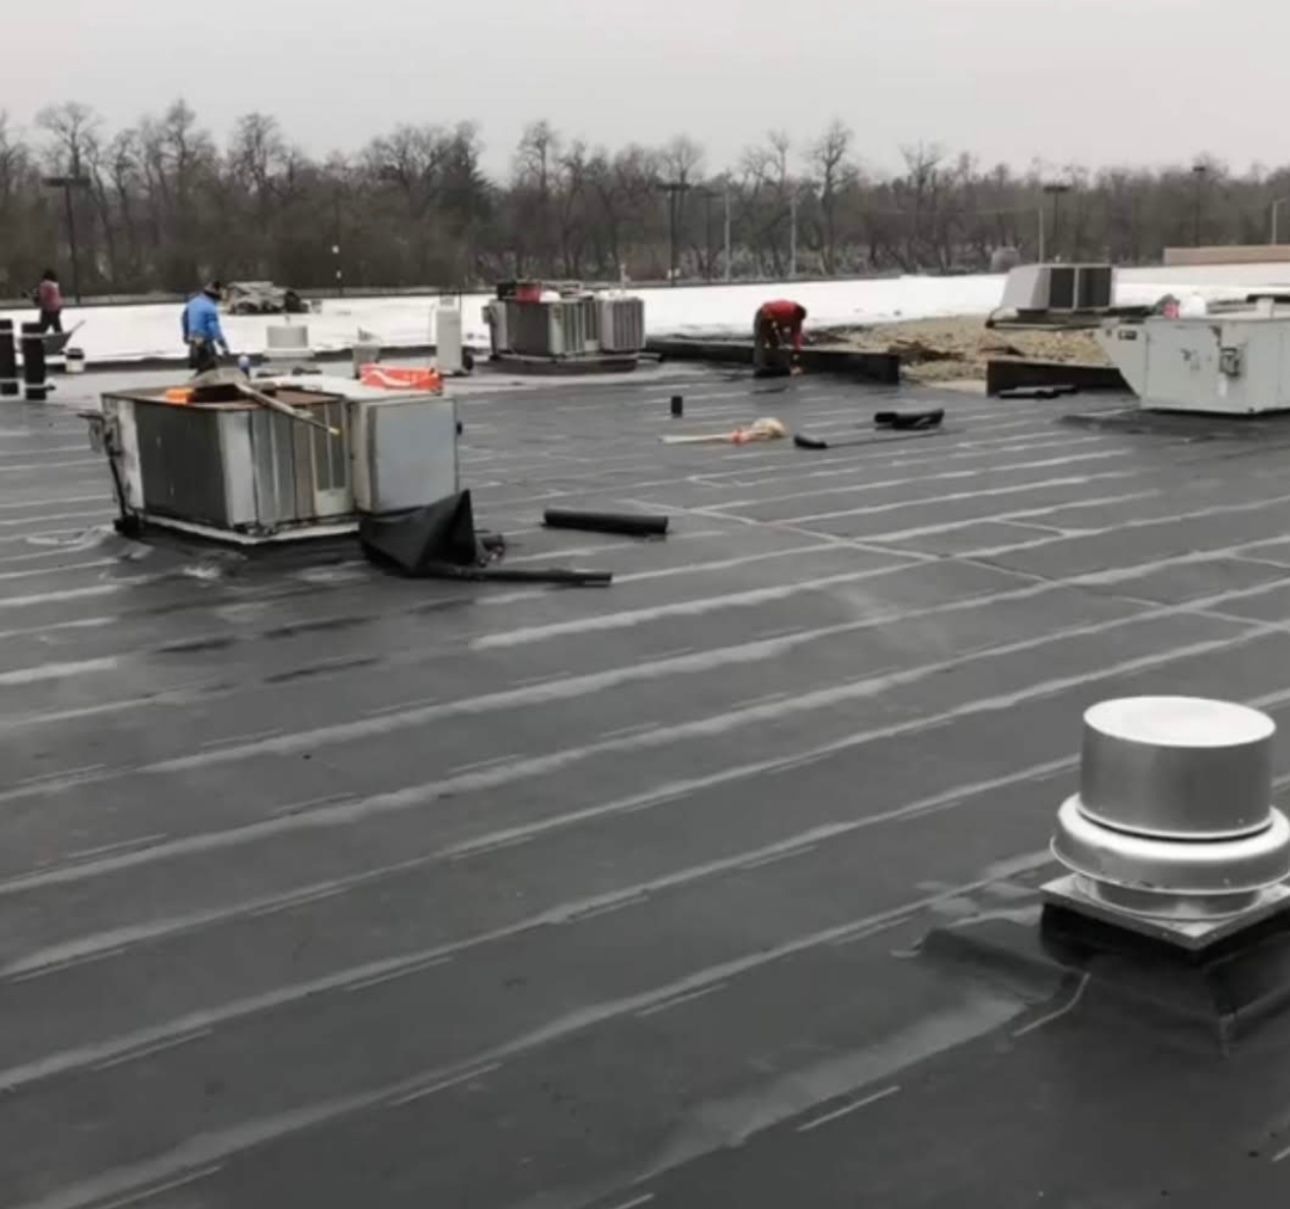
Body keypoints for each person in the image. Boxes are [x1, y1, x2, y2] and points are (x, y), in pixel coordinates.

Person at [182, 281, 231, 373]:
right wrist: (224, 346)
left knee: (201, 371)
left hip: (193, 343)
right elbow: (215, 329)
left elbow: (184, 319)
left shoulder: (192, 302)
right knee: (211, 371)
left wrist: (186, 335)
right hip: (205, 344)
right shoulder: (210, 308)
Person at [753, 299, 807, 376]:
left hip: (777, 321)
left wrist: (797, 349)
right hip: (764, 315)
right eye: (795, 319)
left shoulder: (797, 320)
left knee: (775, 342)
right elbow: (766, 306)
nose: (796, 321)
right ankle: (759, 367)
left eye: (798, 320)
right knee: (760, 340)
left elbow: (796, 334)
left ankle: (777, 364)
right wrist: (769, 317)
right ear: (794, 313)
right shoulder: (785, 308)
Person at [34, 270, 64, 335]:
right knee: (56, 324)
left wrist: (36, 299)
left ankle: (39, 336)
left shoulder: (44, 284)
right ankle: (59, 333)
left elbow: (43, 296)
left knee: (43, 327)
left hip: (48, 308)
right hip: (57, 308)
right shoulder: (55, 285)